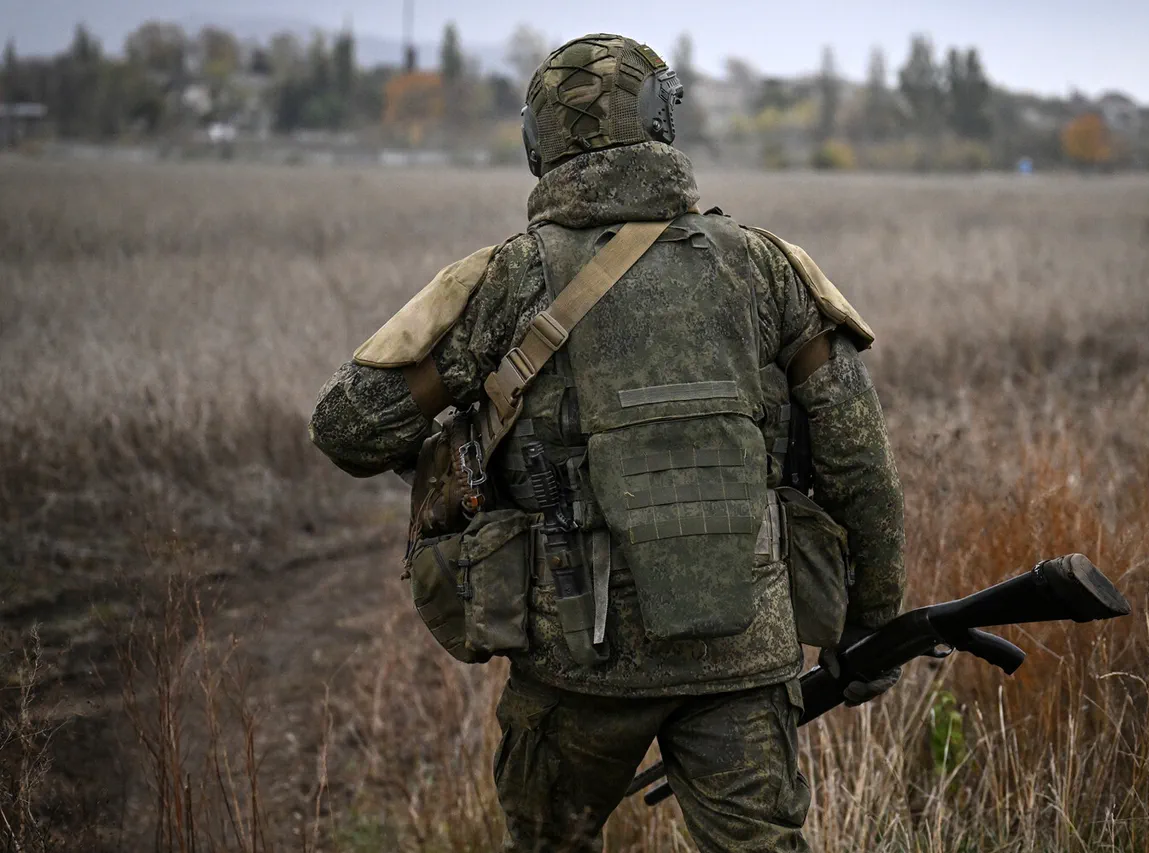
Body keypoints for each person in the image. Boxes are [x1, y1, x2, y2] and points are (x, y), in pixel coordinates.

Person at [309, 33, 905, 853]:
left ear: (537, 144)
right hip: (740, 653)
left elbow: (346, 425)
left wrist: (457, 436)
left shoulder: (509, 278)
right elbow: (860, 465)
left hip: (577, 664)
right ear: (663, 122)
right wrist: (873, 626)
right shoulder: (766, 267)